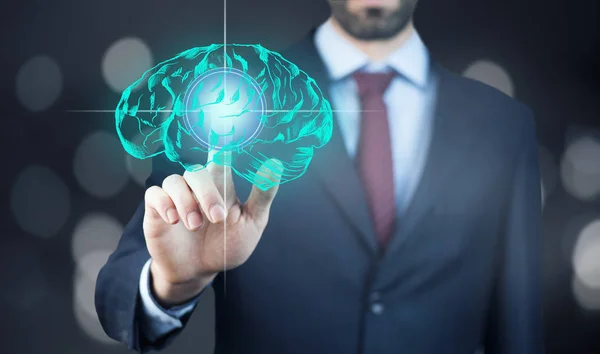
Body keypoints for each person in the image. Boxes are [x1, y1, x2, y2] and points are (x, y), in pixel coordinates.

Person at [95, 0, 545, 353]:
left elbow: (518, 327)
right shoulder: (225, 97)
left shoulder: (503, 127)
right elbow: (121, 292)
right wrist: (174, 282)